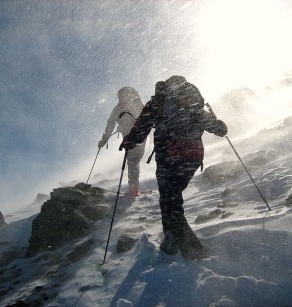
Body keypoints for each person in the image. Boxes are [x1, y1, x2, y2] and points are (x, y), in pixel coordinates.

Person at [119, 76, 228, 259]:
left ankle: (187, 247)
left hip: (169, 156)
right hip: (192, 155)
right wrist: (218, 126)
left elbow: (143, 124)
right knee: (172, 198)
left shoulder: (159, 100)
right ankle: (173, 238)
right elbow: (206, 121)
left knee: (169, 200)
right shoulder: (190, 98)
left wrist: (130, 140)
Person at [98, 87, 146, 197]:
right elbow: (110, 124)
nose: (120, 98)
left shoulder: (134, 104)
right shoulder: (119, 107)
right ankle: (134, 188)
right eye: (119, 96)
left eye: (122, 95)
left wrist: (104, 140)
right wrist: (104, 139)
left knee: (133, 159)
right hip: (132, 136)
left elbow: (111, 124)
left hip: (137, 135)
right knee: (133, 159)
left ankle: (133, 189)